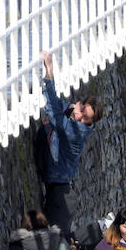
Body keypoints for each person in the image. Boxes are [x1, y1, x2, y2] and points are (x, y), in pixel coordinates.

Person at [36, 50, 103, 236]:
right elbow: (59, 106)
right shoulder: (74, 118)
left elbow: (53, 110)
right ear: (80, 103)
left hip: (60, 196)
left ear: (87, 123)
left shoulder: (75, 131)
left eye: (84, 117)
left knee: (53, 243)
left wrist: (49, 72)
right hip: (60, 192)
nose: (79, 114)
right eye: (81, 108)